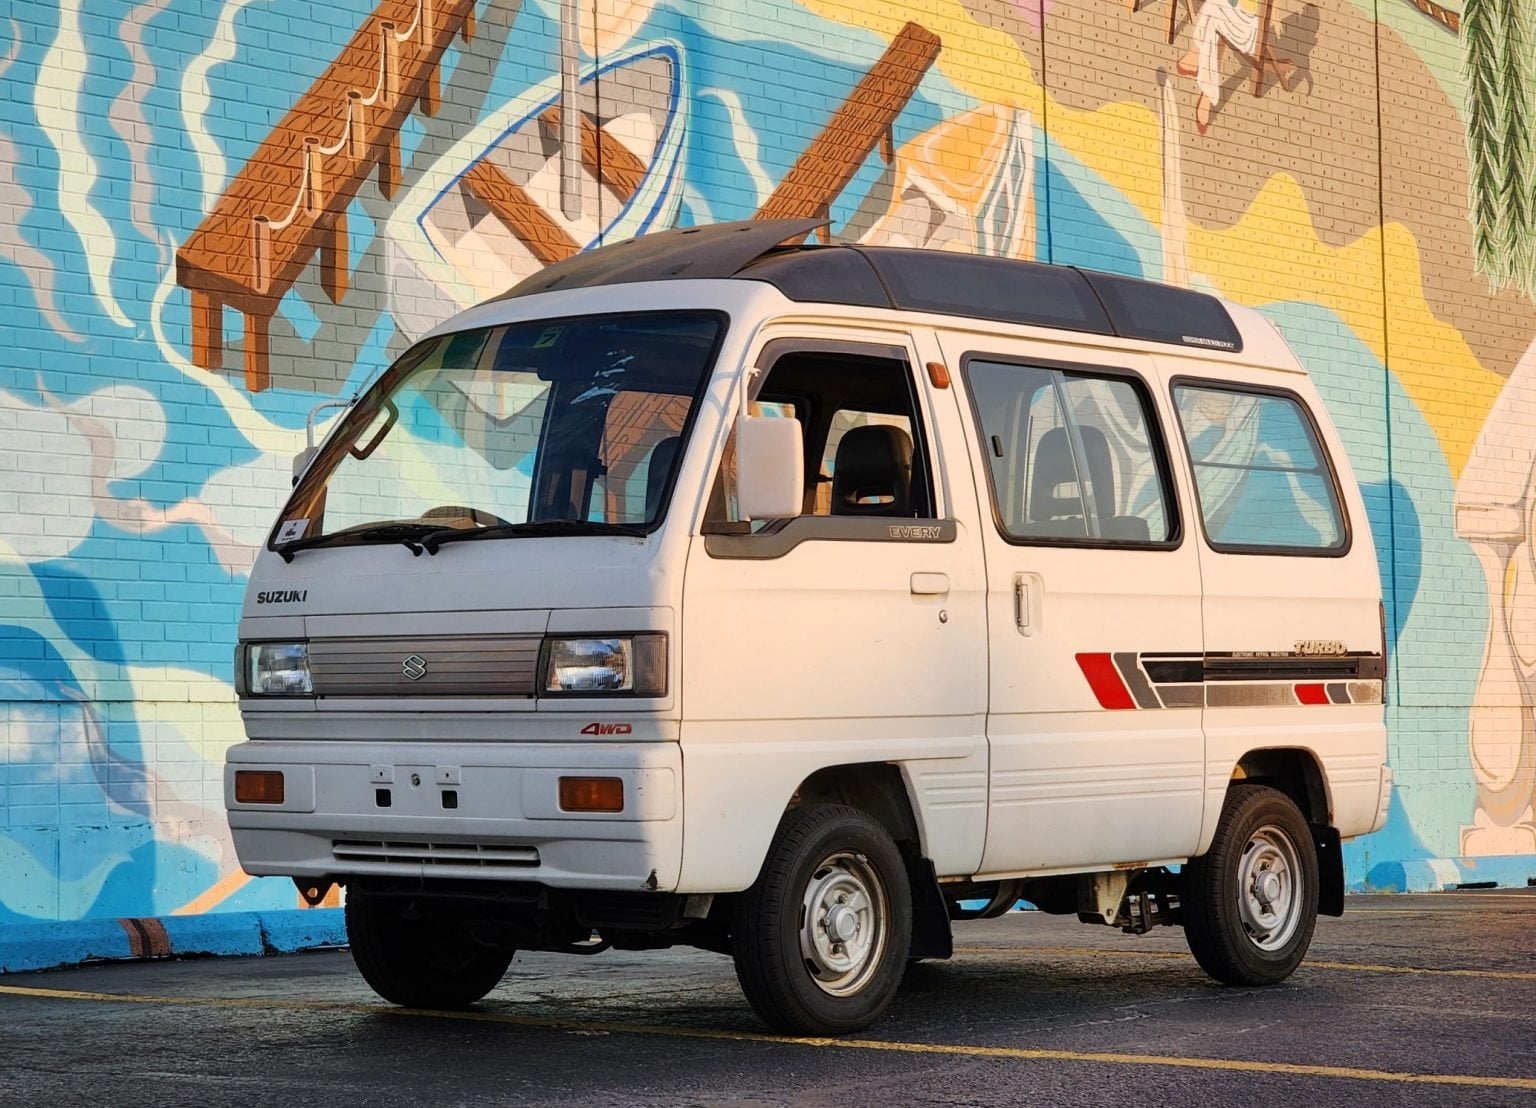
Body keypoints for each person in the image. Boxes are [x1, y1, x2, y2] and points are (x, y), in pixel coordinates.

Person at [1176, 0, 1295, 133]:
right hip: (1236, 17)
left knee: (1212, 10)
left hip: (1247, 30)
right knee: (1214, 17)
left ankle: (1204, 86)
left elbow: (1236, 3)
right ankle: (1195, 60)